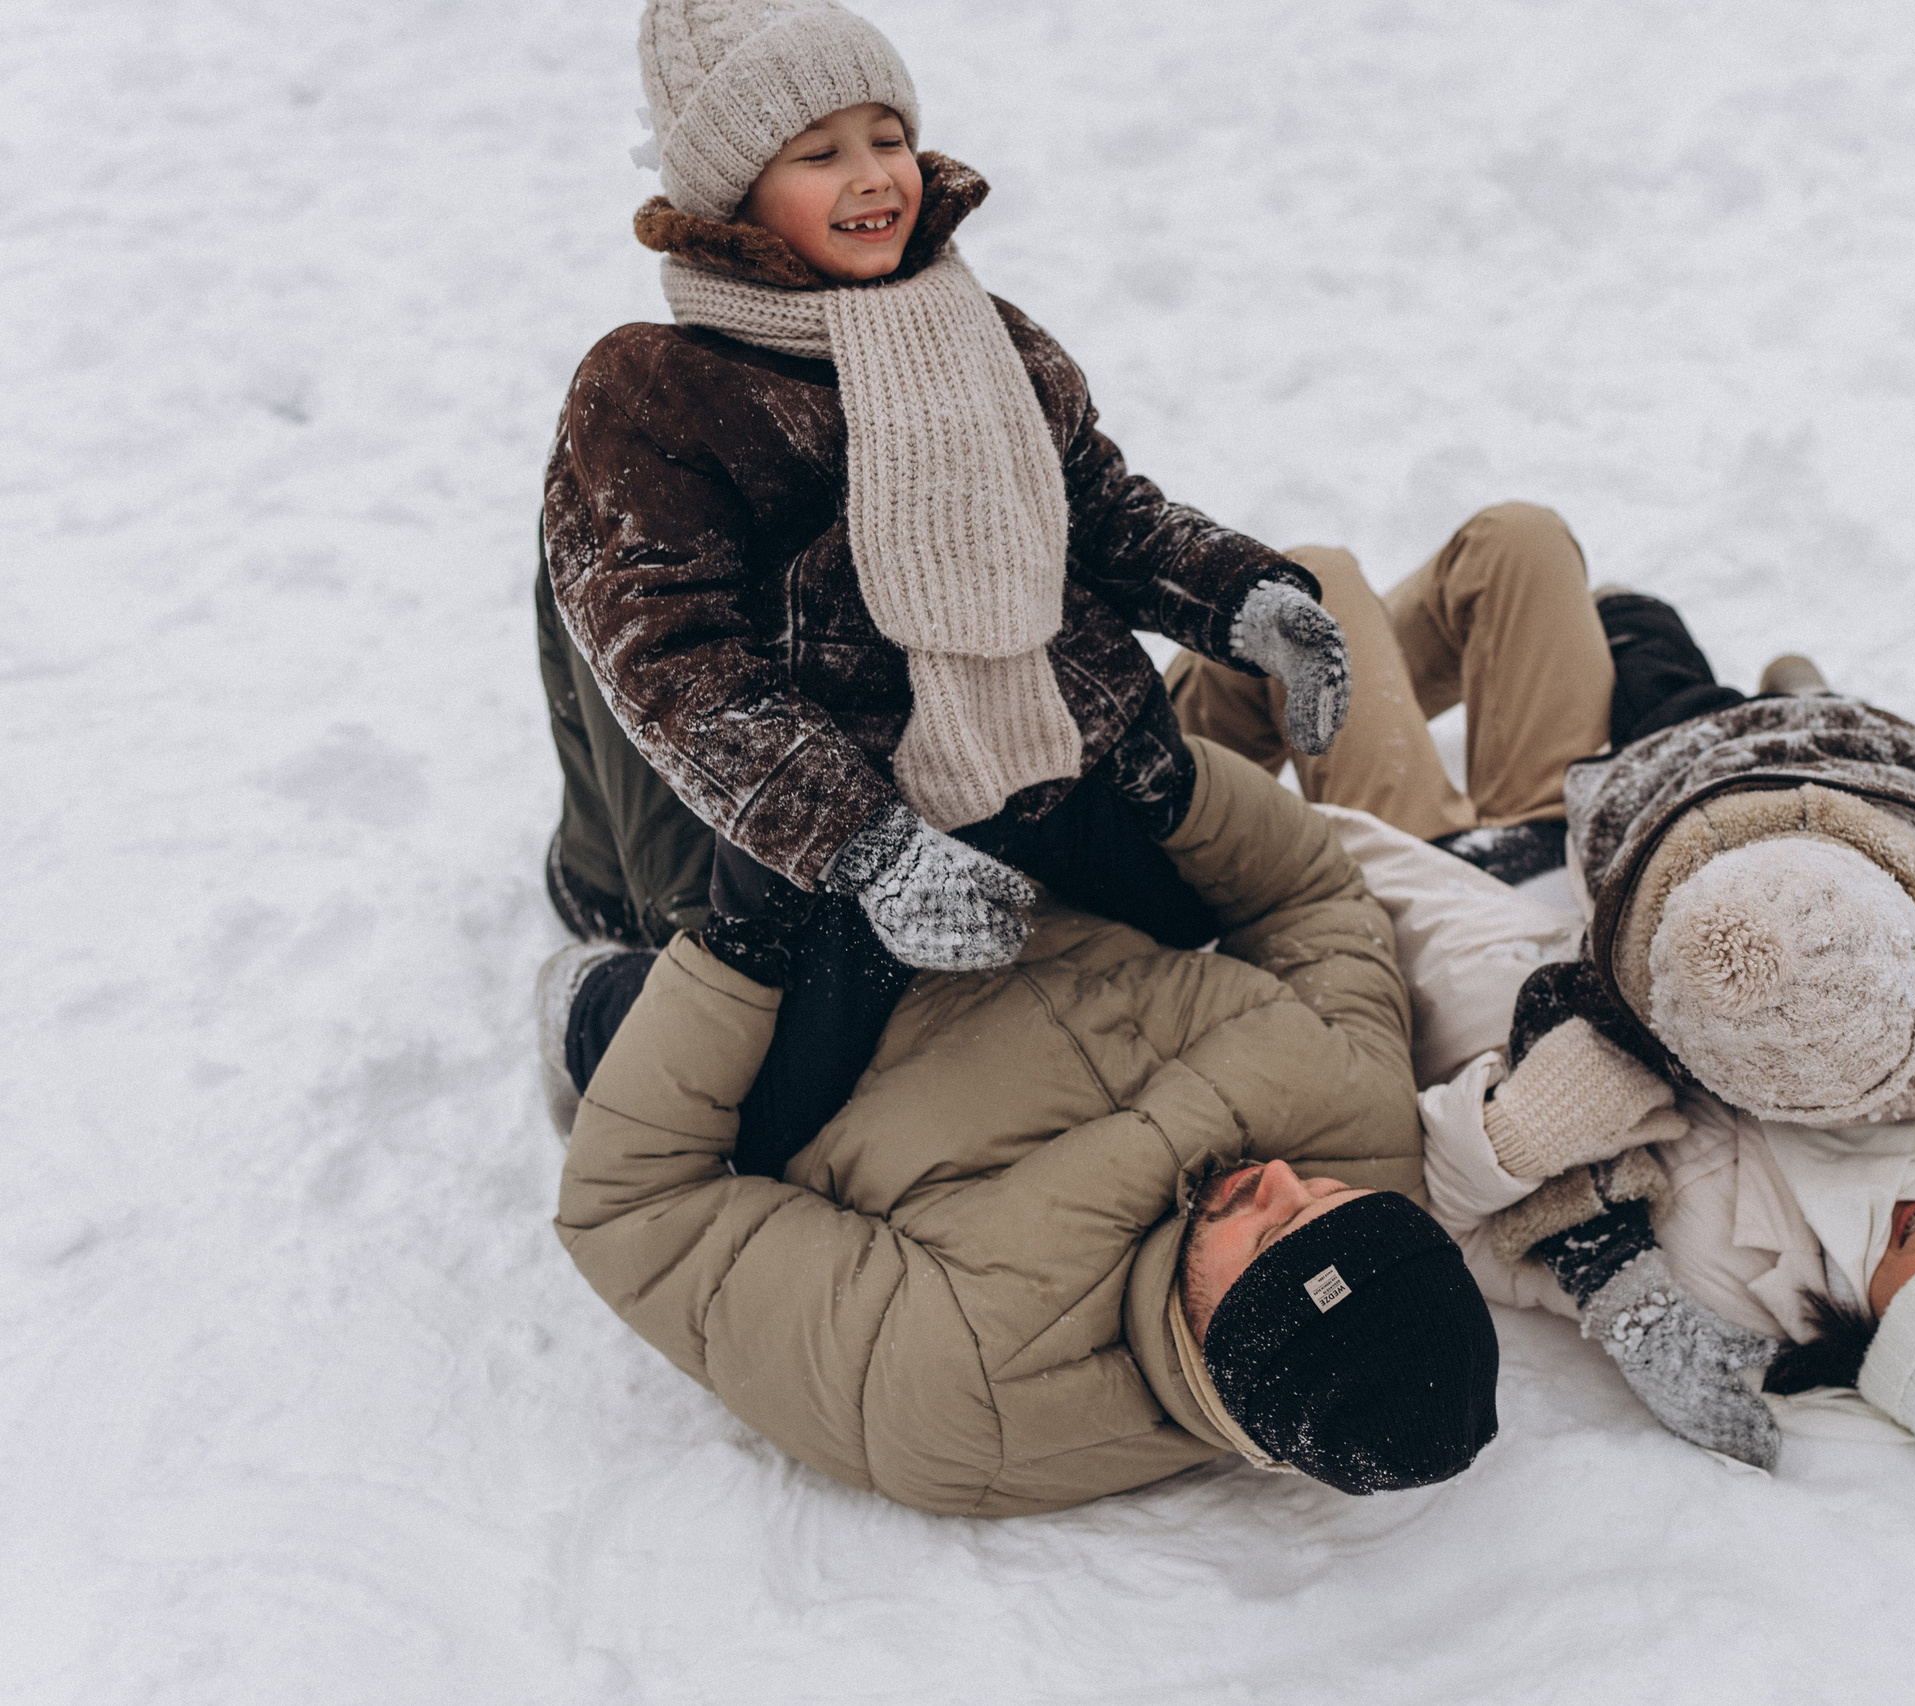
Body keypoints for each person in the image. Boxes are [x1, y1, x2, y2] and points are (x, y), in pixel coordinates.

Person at [1167, 506, 1915, 1494]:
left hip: (1452, 900)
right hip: (1604, 838)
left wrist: (1524, 1145)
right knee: (1518, 541)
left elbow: (1462, 1223)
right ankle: (1290, 699)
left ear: (1890, 1344)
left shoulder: (1722, 1279)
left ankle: (1128, 770)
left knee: (1310, 587)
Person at [537, 0, 1350, 1174]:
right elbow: (671, 660)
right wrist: (866, 844)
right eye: (819, 154)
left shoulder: (991, 335)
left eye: (886, 136)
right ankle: (599, 998)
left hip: (1062, 762)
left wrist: (1245, 599)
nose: (874, 177)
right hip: (849, 825)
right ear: (730, 192)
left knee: (1192, 956)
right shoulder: (663, 386)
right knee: (768, 1134)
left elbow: (1103, 514)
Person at [551, 736, 1500, 1516]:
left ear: (1228, 1348)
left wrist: (739, 956)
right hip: (1034, 881)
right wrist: (1179, 787)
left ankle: (604, 901)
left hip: (823, 1015)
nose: (1282, 1177)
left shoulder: (967, 1386)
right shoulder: (1363, 1128)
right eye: (1329, 1196)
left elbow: (638, 1209)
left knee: (641, 613)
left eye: (1274, 1232)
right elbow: (1312, 903)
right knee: (940, 664)